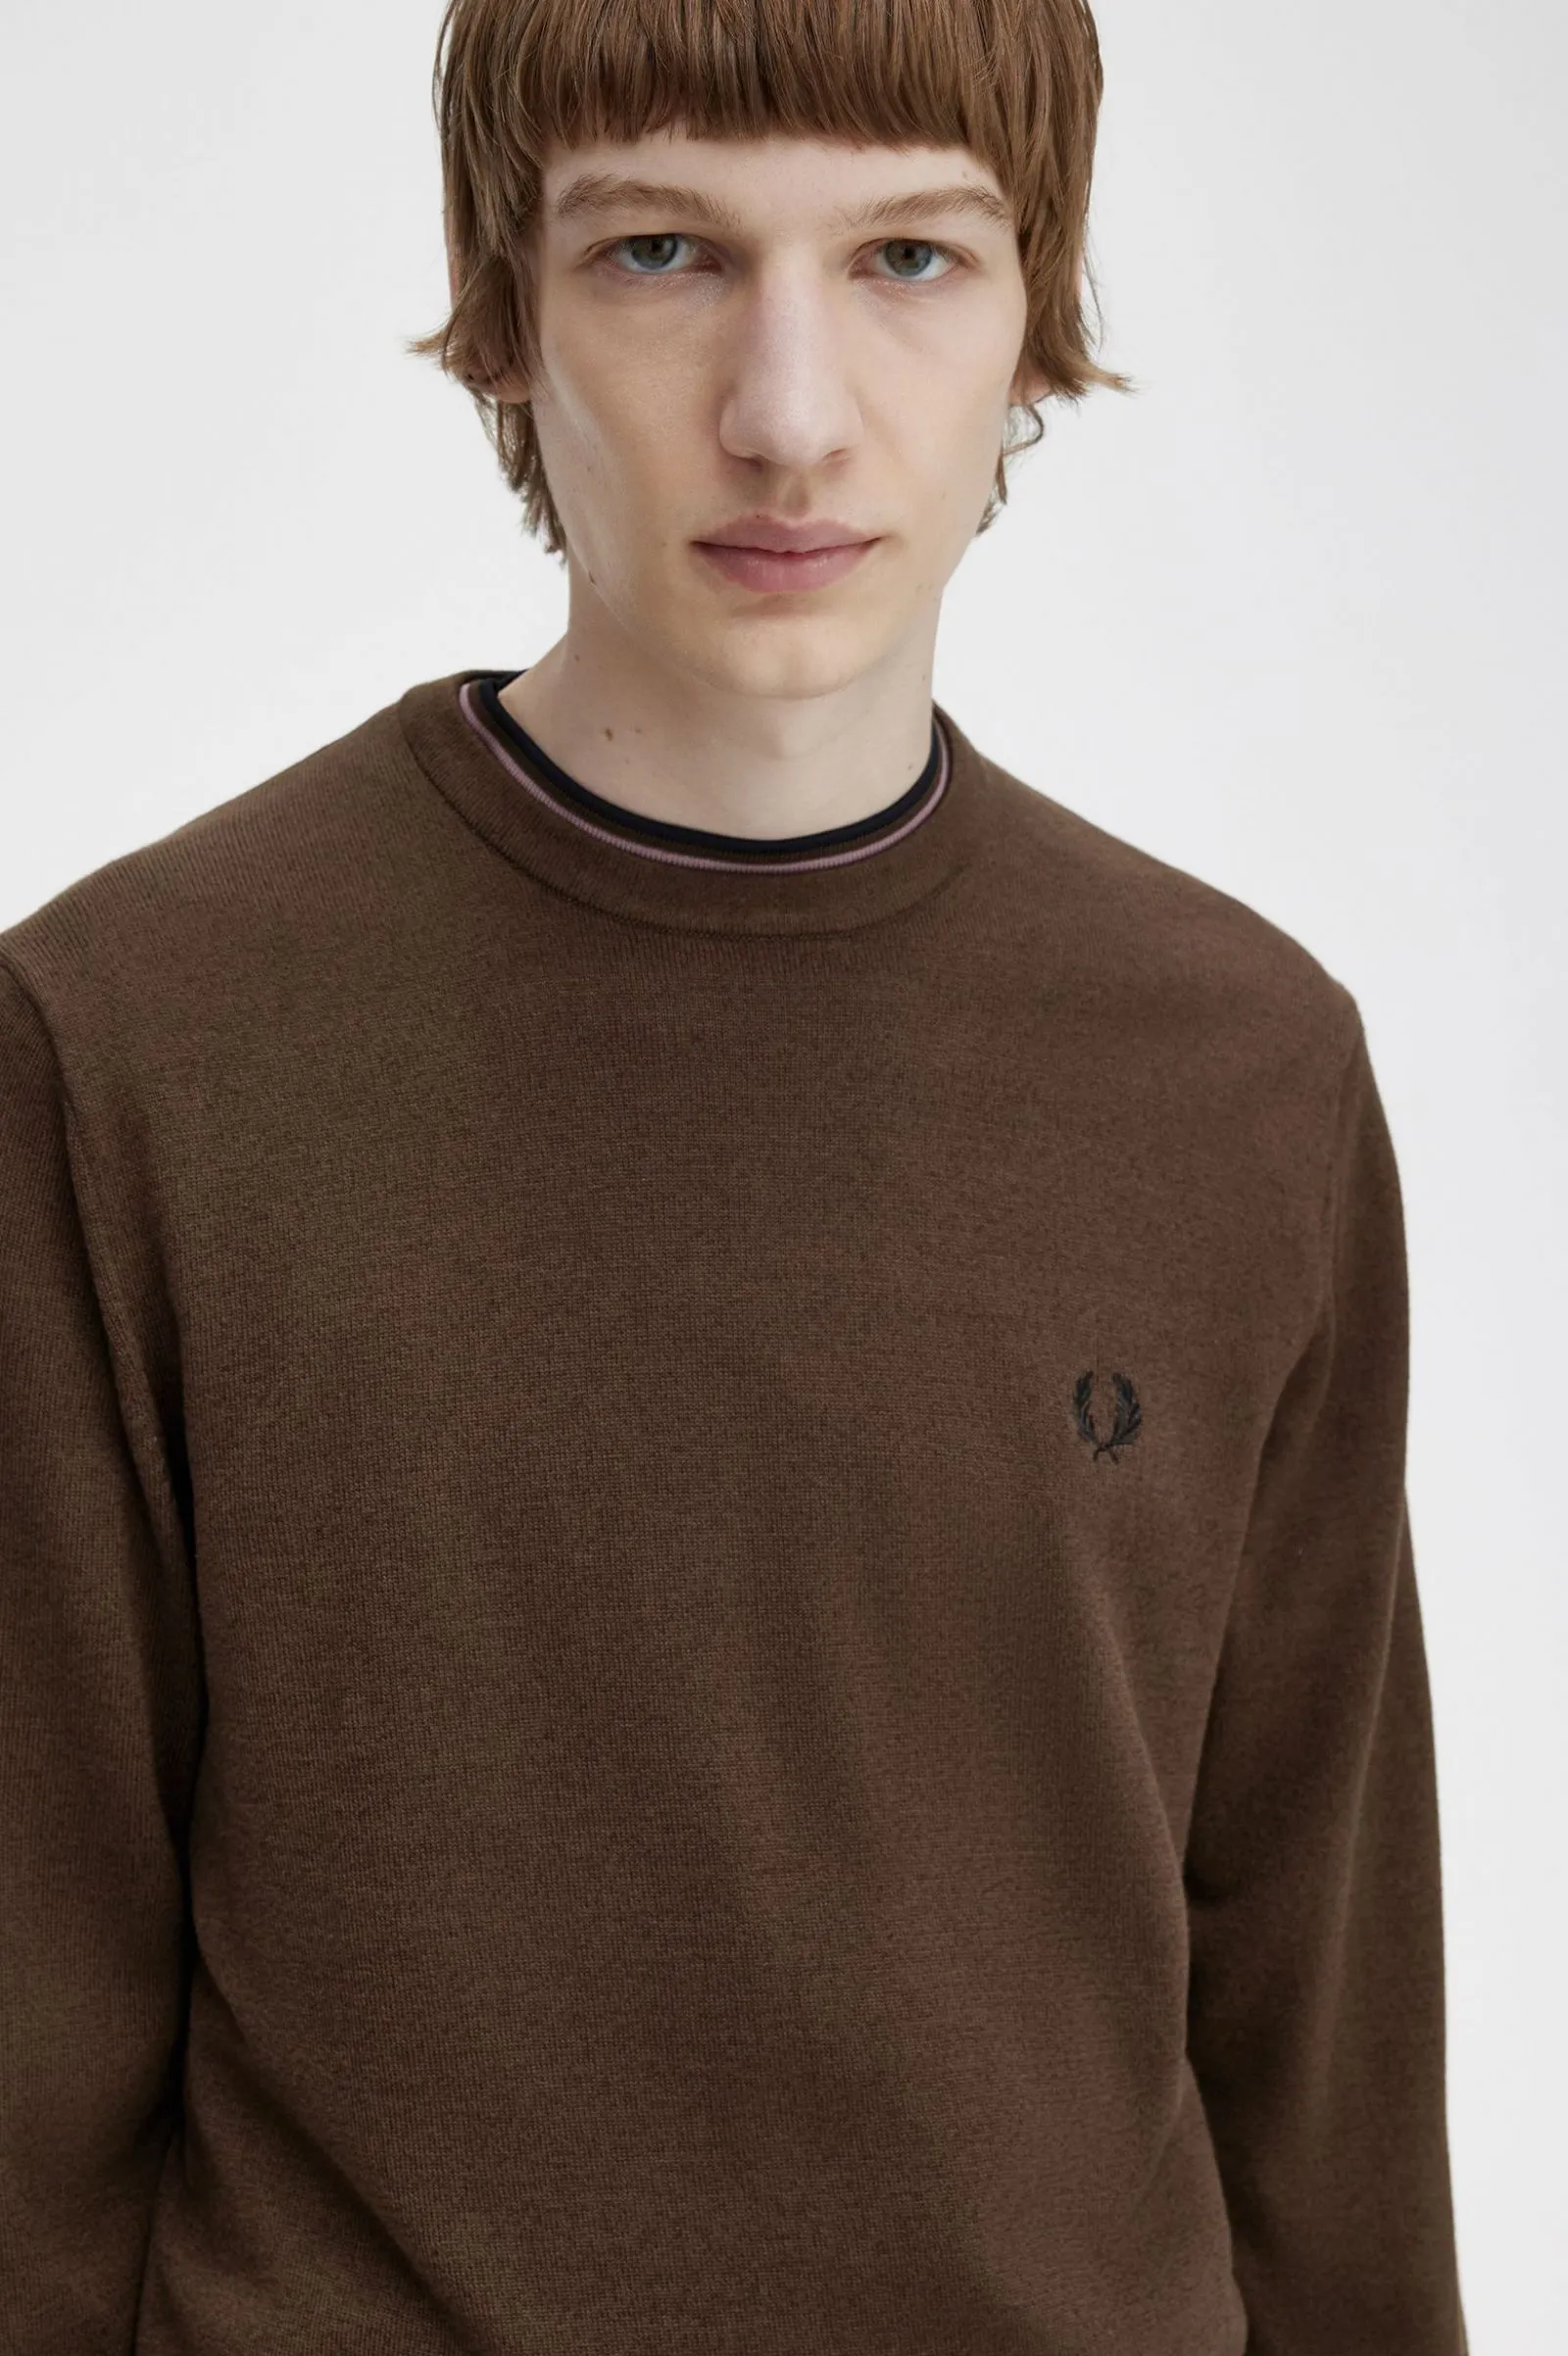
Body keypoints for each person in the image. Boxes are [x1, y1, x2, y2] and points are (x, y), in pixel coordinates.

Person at [0, 2, 1468, 2349]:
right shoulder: (129, 1046)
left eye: (905, 258)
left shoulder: (1240, 1076)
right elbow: (29, 2056)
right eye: (662, 252)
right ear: (501, 304)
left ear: (1034, 314)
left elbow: (1322, 2054)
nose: (788, 413)